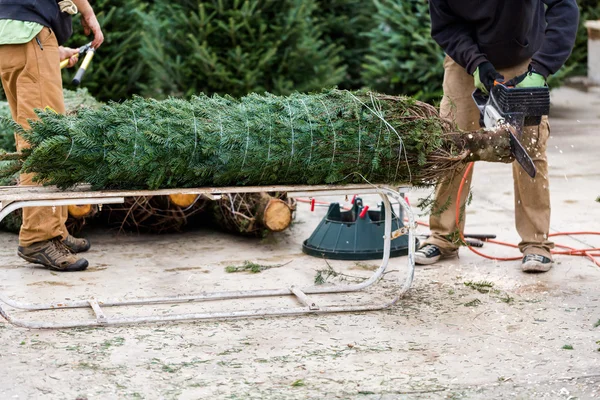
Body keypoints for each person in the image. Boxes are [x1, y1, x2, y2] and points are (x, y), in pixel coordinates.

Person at [416, 0, 579, 272]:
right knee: (452, 145)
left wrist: (540, 70)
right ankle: (443, 237)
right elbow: (446, 25)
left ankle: (536, 243)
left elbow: (565, 7)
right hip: (465, 61)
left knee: (529, 147)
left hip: (524, 59)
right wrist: (476, 63)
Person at [0, 0, 103, 271]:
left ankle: (55, 228)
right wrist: (88, 13)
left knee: (32, 135)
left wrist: (51, 52)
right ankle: (38, 237)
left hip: (10, 35)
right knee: (45, 141)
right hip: (33, 34)